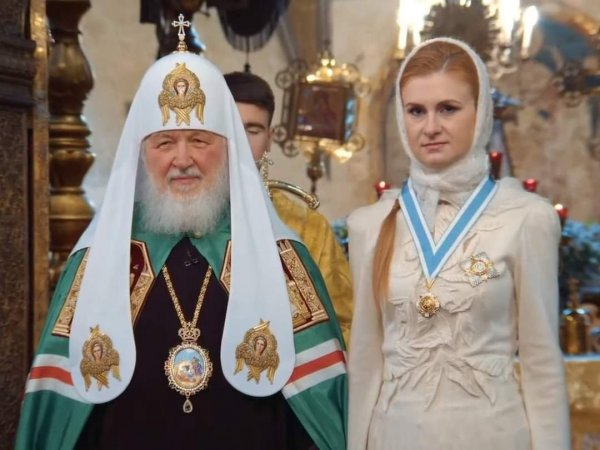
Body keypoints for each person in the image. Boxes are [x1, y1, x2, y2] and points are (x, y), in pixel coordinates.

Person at [15, 30, 347, 450]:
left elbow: (317, 412)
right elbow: (61, 413)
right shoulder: (101, 258)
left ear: (228, 150)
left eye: (200, 141)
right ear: (142, 153)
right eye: (165, 143)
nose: (183, 159)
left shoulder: (279, 256)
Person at [347, 37, 570, 450]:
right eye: (416, 111)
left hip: (494, 437)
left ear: (480, 112)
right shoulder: (369, 225)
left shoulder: (526, 218)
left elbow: (541, 363)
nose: (430, 127)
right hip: (393, 437)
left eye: (448, 108)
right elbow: (364, 362)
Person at [224, 71, 353, 345]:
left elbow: (342, 324)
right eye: (229, 129)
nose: (240, 144)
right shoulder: (180, 218)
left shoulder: (307, 227)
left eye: (252, 130)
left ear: (269, 138)